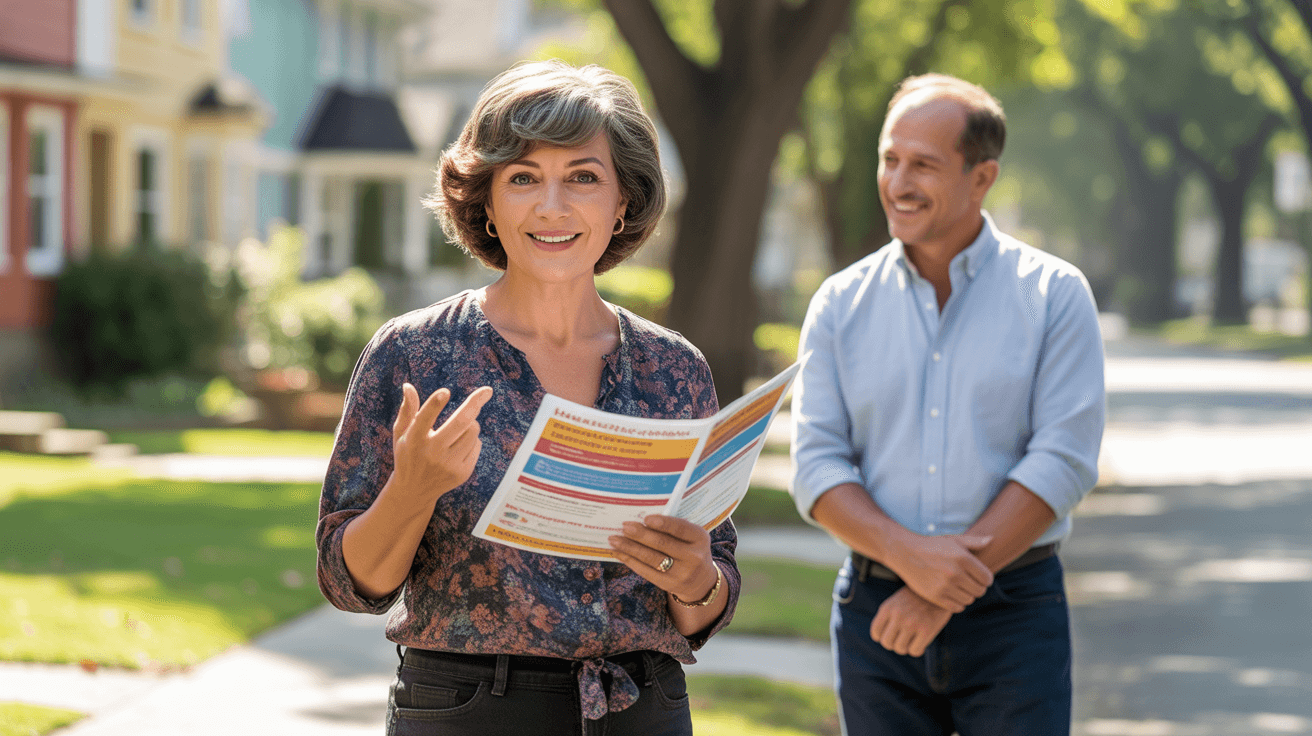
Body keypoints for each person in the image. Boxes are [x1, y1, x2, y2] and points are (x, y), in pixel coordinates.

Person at [315, 60, 739, 736]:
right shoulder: (415, 354)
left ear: (623, 202)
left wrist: (697, 580)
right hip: (468, 712)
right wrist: (413, 489)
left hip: (645, 708)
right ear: (485, 200)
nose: (552, 206)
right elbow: (350, 585)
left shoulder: (675, 370)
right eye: (522, 178)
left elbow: (708, 601)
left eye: (584, 177)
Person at [790, 73, 1105, 735]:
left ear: (982, 177)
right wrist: (911, 561)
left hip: (1014, 615)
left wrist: (939, 593)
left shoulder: (1054, 294)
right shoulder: (840, 305)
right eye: (890, 159)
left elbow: (1063, 460)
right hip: (876, 614)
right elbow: (817, 465)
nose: (898, 182)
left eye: (924, 165)